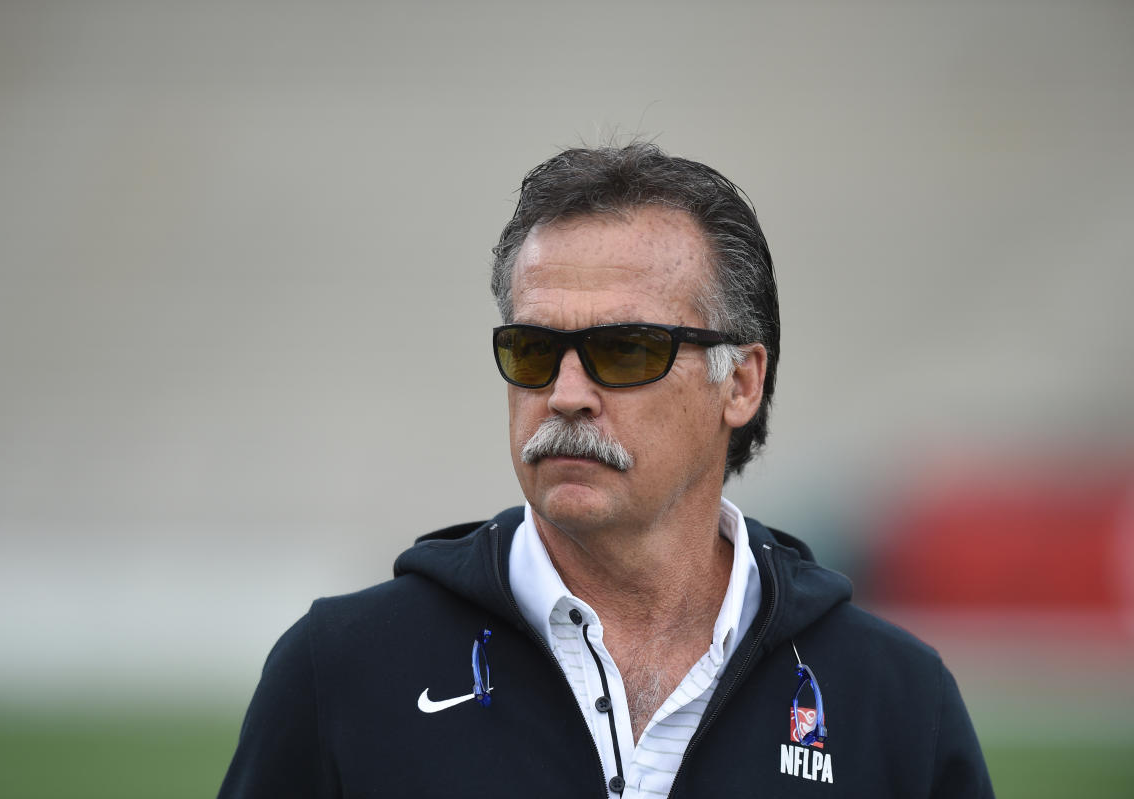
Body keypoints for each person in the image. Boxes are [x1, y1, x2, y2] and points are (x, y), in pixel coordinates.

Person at [218, 142, 994, 798]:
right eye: (531, 349)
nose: (564, 395)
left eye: (625, 350)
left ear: (742, 382)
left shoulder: (896, 701)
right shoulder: (342, 670)